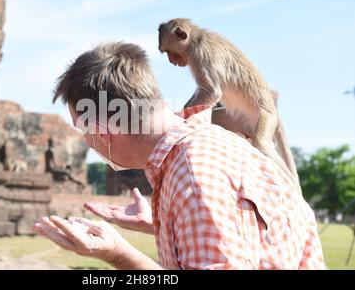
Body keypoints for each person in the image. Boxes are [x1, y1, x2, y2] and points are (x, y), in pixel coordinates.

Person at [33, 42, 325, 270]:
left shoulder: (194, 176)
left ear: (103, 131)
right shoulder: (212, 148)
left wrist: (119, 254)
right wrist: (160, 223)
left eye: (83, 129)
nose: (86, 142)